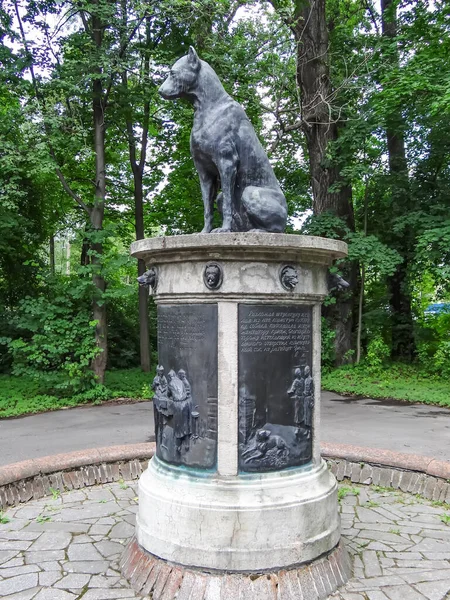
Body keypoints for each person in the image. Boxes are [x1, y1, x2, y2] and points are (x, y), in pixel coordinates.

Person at [303, 365, 314, 439]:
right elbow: (305, 389)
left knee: (309, 416)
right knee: (305, 415)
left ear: (308, 371)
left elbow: (313, 391)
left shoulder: (311, 380)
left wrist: (312, 401)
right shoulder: (305, 380)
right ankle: (306, 429)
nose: (305, 372)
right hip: (305, 398)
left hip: (309, 398)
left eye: (306, 371)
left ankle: (310, 432)